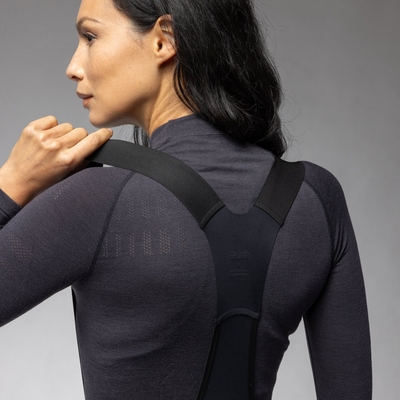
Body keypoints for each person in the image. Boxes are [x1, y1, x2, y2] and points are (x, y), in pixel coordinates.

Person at [0, 0, 372, 399]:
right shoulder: (315, 198)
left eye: (91, 36)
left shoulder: (98, 201)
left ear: (164, 40)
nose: (73, 66)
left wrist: (11, 182)